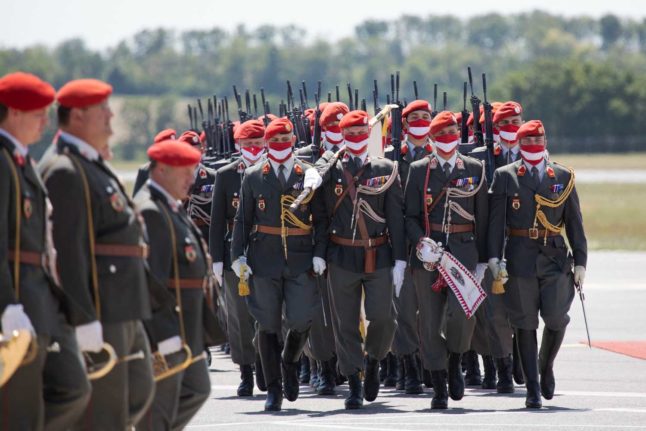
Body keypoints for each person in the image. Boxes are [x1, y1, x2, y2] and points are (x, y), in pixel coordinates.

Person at [43, 78, 155, 429]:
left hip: (123, 303)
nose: (110, 114)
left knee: (138, 390)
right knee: (105, 410)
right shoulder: (65, 168)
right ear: (77, 116)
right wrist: (83, 317)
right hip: (101, 305)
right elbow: (67, 251)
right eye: (101, 108)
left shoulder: (90, 163)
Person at [0, 71, 91, 430]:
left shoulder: (20, 161)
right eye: (36, 113)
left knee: (72, 387)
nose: (43, 121)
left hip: (40, 295)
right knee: (21, 406)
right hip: (19, 296)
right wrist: (7, 304)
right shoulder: (3, 161)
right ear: (14, 114)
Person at [488, 120, 587, 409]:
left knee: (556, 318)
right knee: (525, 322)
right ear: (519, 143)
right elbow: (497, 223)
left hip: (555, 258)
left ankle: (545, 366)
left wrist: (580, 261)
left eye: (539, 138)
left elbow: (574, 223)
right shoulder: (506, 176)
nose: (534, 143)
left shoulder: (563, 175)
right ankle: (532, 387)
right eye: (528, 139)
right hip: (519, 258)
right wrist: (494, 258)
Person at [230, 118, 326, 411]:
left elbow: (321, 219)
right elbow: (242, 219)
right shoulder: (255, 175)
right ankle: (274, 389)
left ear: (294, 140)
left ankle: (290, 361)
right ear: (267, 144)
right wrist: (237, 256)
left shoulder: (307, 174)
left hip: (300, 259)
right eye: (275, 141)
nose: (281, 145)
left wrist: (319, 252)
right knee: (267, 324)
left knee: (301, 319)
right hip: (264, 259)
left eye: (286, 139)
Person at [315, 110, 406, 409]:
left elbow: (396, 218)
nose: (356, 139)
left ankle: (375, 360)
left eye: (360, 134)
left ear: (369, 135)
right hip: (341, 254)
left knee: (383, 318)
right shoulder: (330, 170)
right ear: (342, 136)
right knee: (346, 325)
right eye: (350, 134)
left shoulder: (386, 168)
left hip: (378, 253)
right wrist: (320, 254)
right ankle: (354, 380)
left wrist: (400, 260)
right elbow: (321, 217)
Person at [404, 111, 488, 410]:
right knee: (428, 323)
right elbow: (410, 216)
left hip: (464, 253)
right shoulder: (419, 169)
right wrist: (419, 241)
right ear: (431, 139)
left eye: (453, 132)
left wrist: (485, 260)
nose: (449, 138)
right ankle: (439, 385)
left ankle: (455, 360)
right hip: (429, 256)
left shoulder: (475, 168)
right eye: (442, 135)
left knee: (462, 315)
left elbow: (484, 217)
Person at [135, 139, 212, 429]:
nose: (192, 179)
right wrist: (164, 334)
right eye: (185, 172)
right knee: (160, 406)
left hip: (186, 326)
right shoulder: (151, 211)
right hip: (168, 329)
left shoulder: (169, 205)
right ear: (162, 170)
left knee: (197, 388)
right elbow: (151, 281)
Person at [210, 119, 266, 396]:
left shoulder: (270, 171)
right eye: (248, 145)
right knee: (239, 316)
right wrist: (217, 260)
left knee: (268, 313)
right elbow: (217, 220)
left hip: (267, 250)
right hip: (235, 251)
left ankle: (268, 367)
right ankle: (246, 370)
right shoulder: (227, 174)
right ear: (238, 146)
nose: (254, 149)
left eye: (258, 144)